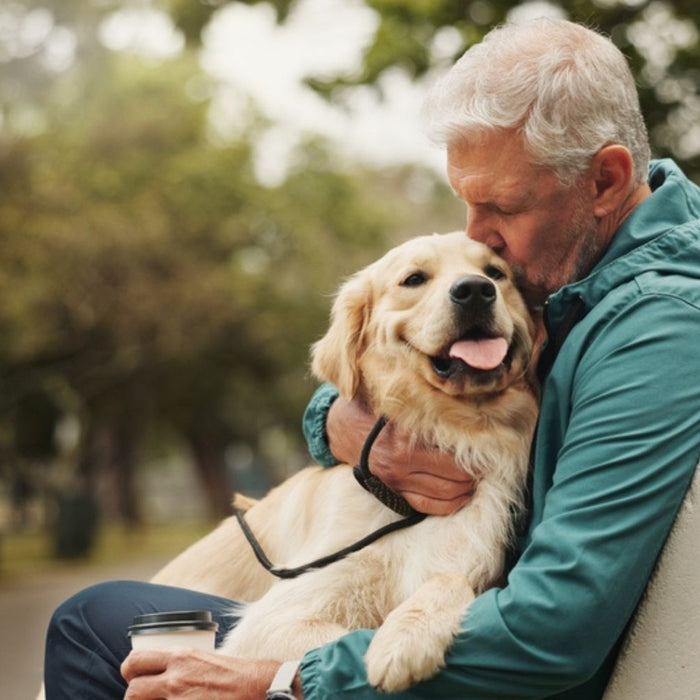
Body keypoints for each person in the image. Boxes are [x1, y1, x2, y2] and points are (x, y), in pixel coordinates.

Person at [43, 16, 700, 700]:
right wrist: (340, 425)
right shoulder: (575, 280)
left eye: (501, 206)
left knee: (91, 627)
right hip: (427, 634)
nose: (479, 241)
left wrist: (287, 679)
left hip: (477, 672)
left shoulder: (653, 329)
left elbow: (555, 626)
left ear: (605, 180)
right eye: (465, 204)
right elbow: (381, 367)